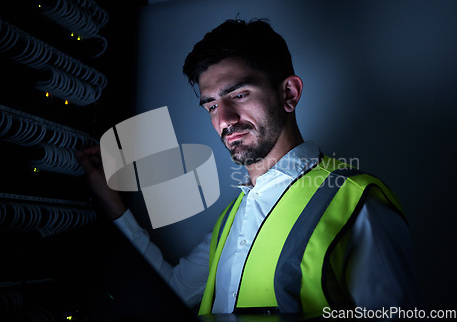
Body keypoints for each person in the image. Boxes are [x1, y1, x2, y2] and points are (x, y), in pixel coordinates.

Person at [76, 19, 422, 317]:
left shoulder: (357, 201)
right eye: (210, 105)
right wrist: (114, 205)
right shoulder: (230, 221)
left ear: (288, 93)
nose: (223, 120)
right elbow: (174, 292)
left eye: (239, 95)